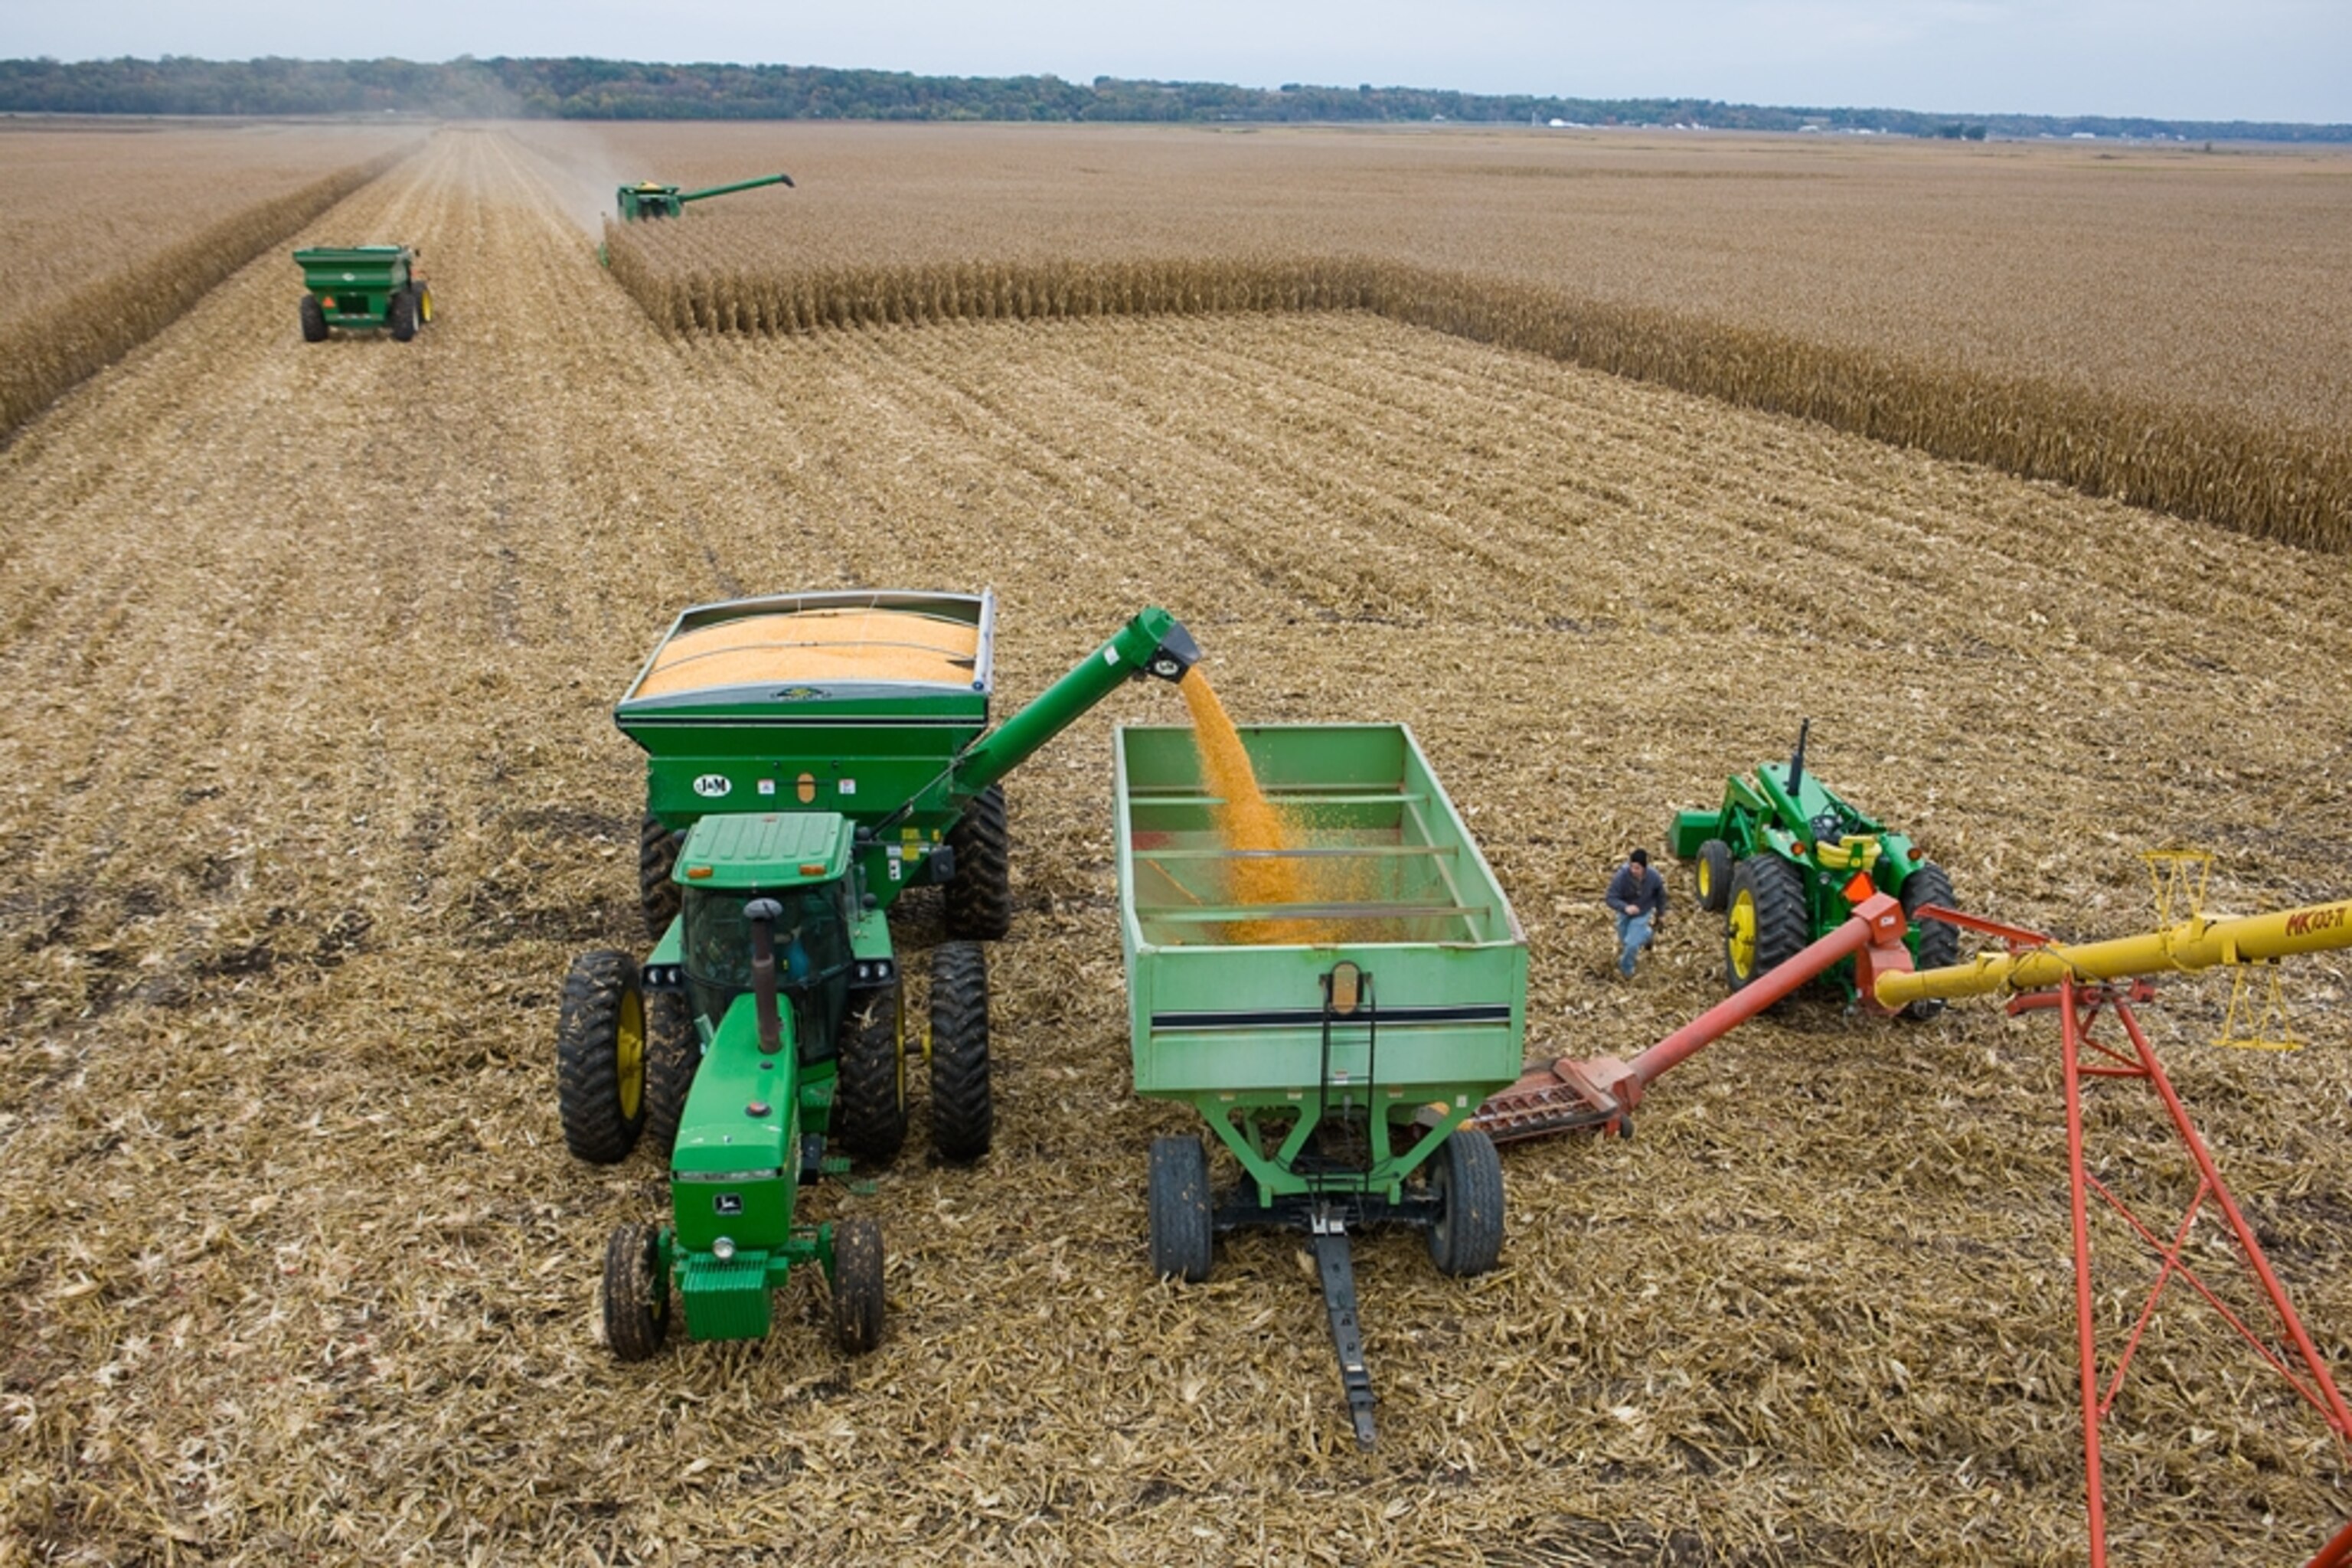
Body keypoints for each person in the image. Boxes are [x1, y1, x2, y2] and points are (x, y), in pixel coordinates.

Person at [1606, 848, 1668, 979]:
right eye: (1632, 867)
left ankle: (1626, 970)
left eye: (1637, 868)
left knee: (1631, 944)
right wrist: (1625, 907)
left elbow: (1661, 896)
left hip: (1643, 912)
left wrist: (1661, 913)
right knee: (1625, 940)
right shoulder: (1621, 877)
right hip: (1625, 913)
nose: (1634, 870)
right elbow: (1610, 898)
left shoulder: (1654, 877)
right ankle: (1647, 935)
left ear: (1645, 868)